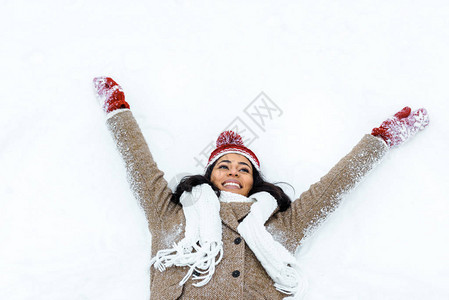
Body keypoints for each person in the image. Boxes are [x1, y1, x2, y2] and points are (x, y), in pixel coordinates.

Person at [93, 77, 429, 299]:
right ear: (209, 176)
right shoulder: (174, 215)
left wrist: (380, 140)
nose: (233, 172)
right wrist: (117, 110)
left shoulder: (277, 225)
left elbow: (333, 186)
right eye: (223, 166)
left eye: (243, 168)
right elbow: (139, 166)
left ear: (255, 181)